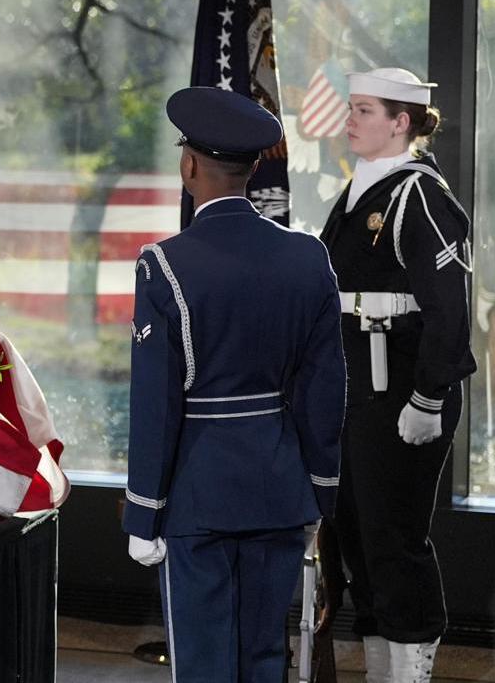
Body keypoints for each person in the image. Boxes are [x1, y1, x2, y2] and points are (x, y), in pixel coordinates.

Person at [123, 87, 346, 682]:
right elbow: (324, 394)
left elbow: (156, 404)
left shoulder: (165, 265)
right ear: (253, 169)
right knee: (263, 659)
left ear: (189, 166)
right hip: (279, 489)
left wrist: (143, 513)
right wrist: (319, 490)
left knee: (203, 665)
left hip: (197, 495)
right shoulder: (307, 258)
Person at [322, 67, 473, 681]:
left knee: (395, 539)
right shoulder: (361, 189)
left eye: (363, 110)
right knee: (358, 540)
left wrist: (429, 396)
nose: (350, 120)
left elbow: (448, 309)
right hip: (358, 384)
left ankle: (410, 672)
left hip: (401, 386)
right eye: (353, 108)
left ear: (400, 121)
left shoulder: (420, 194)